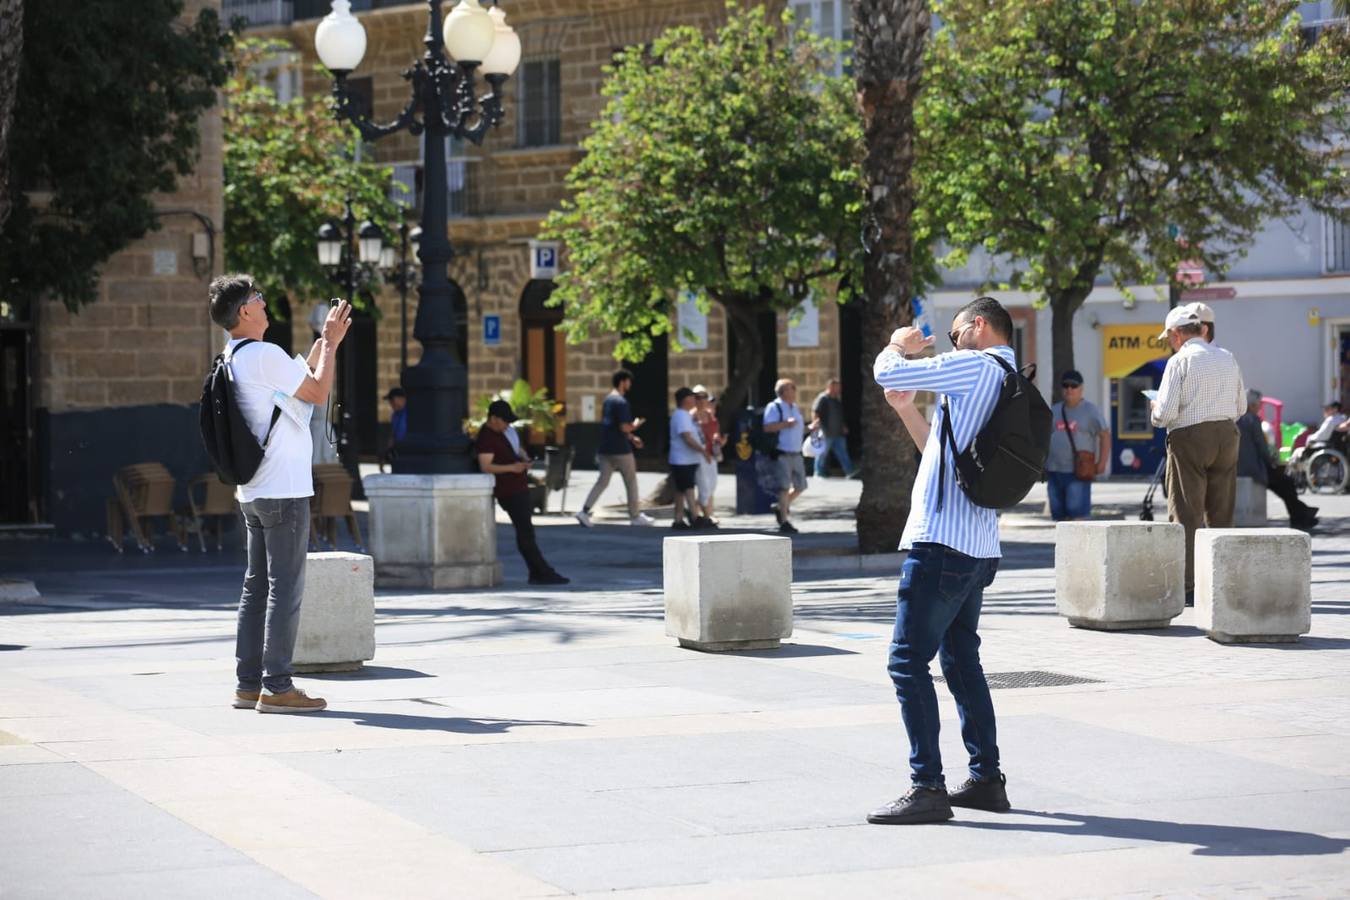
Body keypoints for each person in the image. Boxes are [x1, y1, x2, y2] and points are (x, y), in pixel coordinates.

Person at [866, 295, 1017, 826]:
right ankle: (985, 779)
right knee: (959, 662)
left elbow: (885, 367)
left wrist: (897, 345)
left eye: (954, 334)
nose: (951, 343)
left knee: (907, 663)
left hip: (942, 546)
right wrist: (907, 409)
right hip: (977, 545)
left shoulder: (976, 364)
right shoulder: (1010, 378)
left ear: (978, 327)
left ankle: (926, 786)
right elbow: (941, 453)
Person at [210, 274, 348, 714]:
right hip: (283, 489)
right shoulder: (265, 355)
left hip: (254, 490)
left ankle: (248, 683)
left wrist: (321, 343)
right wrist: (331, 343)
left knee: (257, 585)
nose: (265, 303)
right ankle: (278, 686)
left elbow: (299, 380)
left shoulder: (236, 355)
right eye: (258, 298)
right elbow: (318, 390)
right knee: (284, 587)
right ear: (244, 312)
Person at [1151, 305, 1246, 603]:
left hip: (1190, 437)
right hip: (1227, 435)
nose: (1169, 342)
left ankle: (1189, 584)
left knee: (1186, 512)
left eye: (1168, 337)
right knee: (1221, 511)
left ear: (1177, 334)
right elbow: (1241, 406)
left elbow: (1164, 414)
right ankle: (1221, 579)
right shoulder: (1227, 357)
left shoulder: (1179, 362)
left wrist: (1154, 409)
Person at [476, 399, 568, 586]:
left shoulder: (501, 433)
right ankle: (542, 572)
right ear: (493, 419)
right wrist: (513, 467)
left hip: (518, 486)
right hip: (508, 491)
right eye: (504, 421)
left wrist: (522, 459)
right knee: (525, 532)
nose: (507, 425)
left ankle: (538, 572)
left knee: (526, 532)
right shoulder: (486, 437)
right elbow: (486, 466)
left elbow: (513, 449)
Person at [576, 370, 655, 527]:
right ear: (623, 382)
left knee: (602, 482)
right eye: (628, 381)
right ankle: (635, 516)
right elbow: (624, 427)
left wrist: (632, 438)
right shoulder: (621, 402)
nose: (630, 385)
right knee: (631, 482)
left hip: (605, 448)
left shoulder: (608, 400)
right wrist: (635, 426)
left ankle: (584, 511)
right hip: (621, 449)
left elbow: (613, 426)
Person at [1238, 389, 1318, 531]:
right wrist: (1272, 462)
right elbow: (1262, 447)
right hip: (1253, 468)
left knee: (1284, 485)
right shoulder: (1252, 419)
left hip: (1241, 466)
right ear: (1251, 405)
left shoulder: (1237, 418)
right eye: (1258, 405)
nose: (1260, 408)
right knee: (1286, 483)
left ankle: (1301, 514)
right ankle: (1301, 515)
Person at [1044, 369, 1110, 521]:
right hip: (1054, 471)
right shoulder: (1054, 410)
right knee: (1059, 518)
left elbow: (1105, 435)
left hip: (1078, 472)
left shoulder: (1090, 411)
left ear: (1081, 388)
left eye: (1073, 386)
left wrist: (1102, 462)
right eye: (1065, 386)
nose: (1069, 389)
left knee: (1078, 518)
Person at [763, 379, 807, 534]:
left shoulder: (794, 407)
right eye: (791, 388)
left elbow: (798, 428)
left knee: (801, 486)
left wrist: (810, 428)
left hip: (797, 452)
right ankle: (784, 520)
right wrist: (785, 424)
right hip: (782, 453)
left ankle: (780, 506)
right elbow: (768, 427)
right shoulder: (774, 407)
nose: (794, 391)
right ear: (783, 391)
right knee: (784, 487)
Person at [668, 386, 711, 530]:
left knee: (680, 490)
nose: (695, 400)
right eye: (693, 397)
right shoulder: (681, 415)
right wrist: (702, 450)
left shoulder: (686, 415)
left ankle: (678, 519)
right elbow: (687, 437)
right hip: (682, 460)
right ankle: (694, 516)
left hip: (687, 459)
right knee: (688, 488)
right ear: (686, 399)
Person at [811, 378, 859, 479]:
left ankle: (849, 471)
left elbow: (839, 415)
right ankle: (818, 472)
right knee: (822, 454)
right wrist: (816, 425)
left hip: (838, 433)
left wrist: (843, 426)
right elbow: (815, 412)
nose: (839, 389)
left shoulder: (836, 400)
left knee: (843, 453)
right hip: (826, 432)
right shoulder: (822, 398)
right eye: (837, 387)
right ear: (830, 387)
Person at [692, 385, 726, 527]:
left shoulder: (710, 415)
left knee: (712, 485)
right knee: (703, 485)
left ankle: (696, 511)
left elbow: (714, 432)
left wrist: (718, 440)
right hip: (698, 454)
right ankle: (705, 516)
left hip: (711, 454)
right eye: (697, 397)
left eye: (704, 397)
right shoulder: (691, 416)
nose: (701, 400)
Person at [380, 387, 407, 472]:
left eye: (392, 400)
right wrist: (386, 453)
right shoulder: (395, 415)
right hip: (398, 452)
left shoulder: (410, 412)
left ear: (401, 398)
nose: (391, 403)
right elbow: (393, 435)